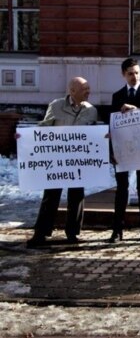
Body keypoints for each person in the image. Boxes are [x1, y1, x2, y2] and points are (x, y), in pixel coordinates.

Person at [26, 77, 98, 248]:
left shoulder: (92, 110)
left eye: (89, 88)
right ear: (72, 91)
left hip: (78, 160)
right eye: (84, 89)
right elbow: (43, 128)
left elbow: (94, 133)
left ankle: (72, 233)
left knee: (77, 196)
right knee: (51, 195)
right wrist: (26, 138)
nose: (88, 92)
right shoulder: (56, 105)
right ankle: (41, 233)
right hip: (57, 160)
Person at [108, 58, 140, 243]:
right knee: (122, 189)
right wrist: (111, 151)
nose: (134, 76)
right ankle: (117, 231)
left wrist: (135, 111)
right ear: (123, 74)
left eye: (137, 72)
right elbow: (111, 126)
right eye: (130, 73)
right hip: (123, 149)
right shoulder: (117, 96)